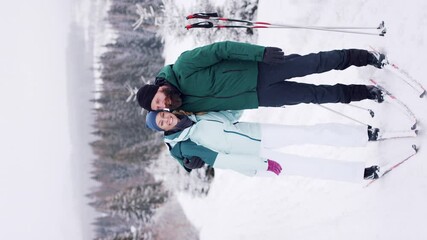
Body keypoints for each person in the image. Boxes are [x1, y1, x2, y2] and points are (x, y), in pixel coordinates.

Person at [136, 41, 387, 113]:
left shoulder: (183, 65)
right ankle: (365, 92)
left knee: (315, 62)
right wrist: (188, 161)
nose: (162, 106)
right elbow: (178, 135)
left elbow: (220, 50)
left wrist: (260, 53)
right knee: (313, 95)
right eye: (158, 109)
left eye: (157, 101)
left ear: (157, 88)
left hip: (261, 68)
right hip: (260, 97)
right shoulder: (185, 108)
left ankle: (363, 56)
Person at [145, 110, 381, 182]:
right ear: (163, 129)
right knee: (306, 166)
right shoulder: (185, 145)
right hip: (256, 156)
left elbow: (230, 114)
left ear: (166, 112)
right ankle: (361, 173)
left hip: (258, 132)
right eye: (161, 124)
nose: (165, 120)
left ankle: (363, 134)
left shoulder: (194, 115)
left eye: (162, 116)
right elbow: (222, 160)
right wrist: (263, 164)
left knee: (310, 132)